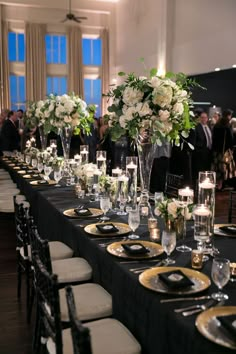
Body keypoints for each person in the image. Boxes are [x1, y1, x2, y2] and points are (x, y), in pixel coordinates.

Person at [212, 109, 235, 190]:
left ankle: (218, 185)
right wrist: (231, 149)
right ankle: (222, 185)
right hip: (224, 151)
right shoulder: (227, 125)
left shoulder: (217, 125)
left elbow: (213, 138)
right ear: (228, 116)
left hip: (216, 151)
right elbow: (231, 139)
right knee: (224, 169)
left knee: (217, 169)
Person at [192, 111, 212, 182]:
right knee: (200, 170)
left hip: (208, 152)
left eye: (205, 117)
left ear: (207, 118)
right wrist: (197, 150)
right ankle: (199, 183)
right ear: (200, 118)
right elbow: (194, 140)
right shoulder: (197, 127)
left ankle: (206, 183)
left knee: (207, 169)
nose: (204, 119)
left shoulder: (209, 127)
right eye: (202, 117)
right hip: (200, 153)